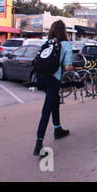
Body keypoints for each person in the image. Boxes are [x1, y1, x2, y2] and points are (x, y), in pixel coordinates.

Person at [33, 20, 73, 156]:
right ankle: (39, 143)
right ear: (64, 31)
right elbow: (67, 67)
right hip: (53, 80)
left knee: (54, 100)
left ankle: (58, 129)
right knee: (47, 109)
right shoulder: (66, 44)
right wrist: (71, 67)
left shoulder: (47, 42)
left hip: (40, 77)